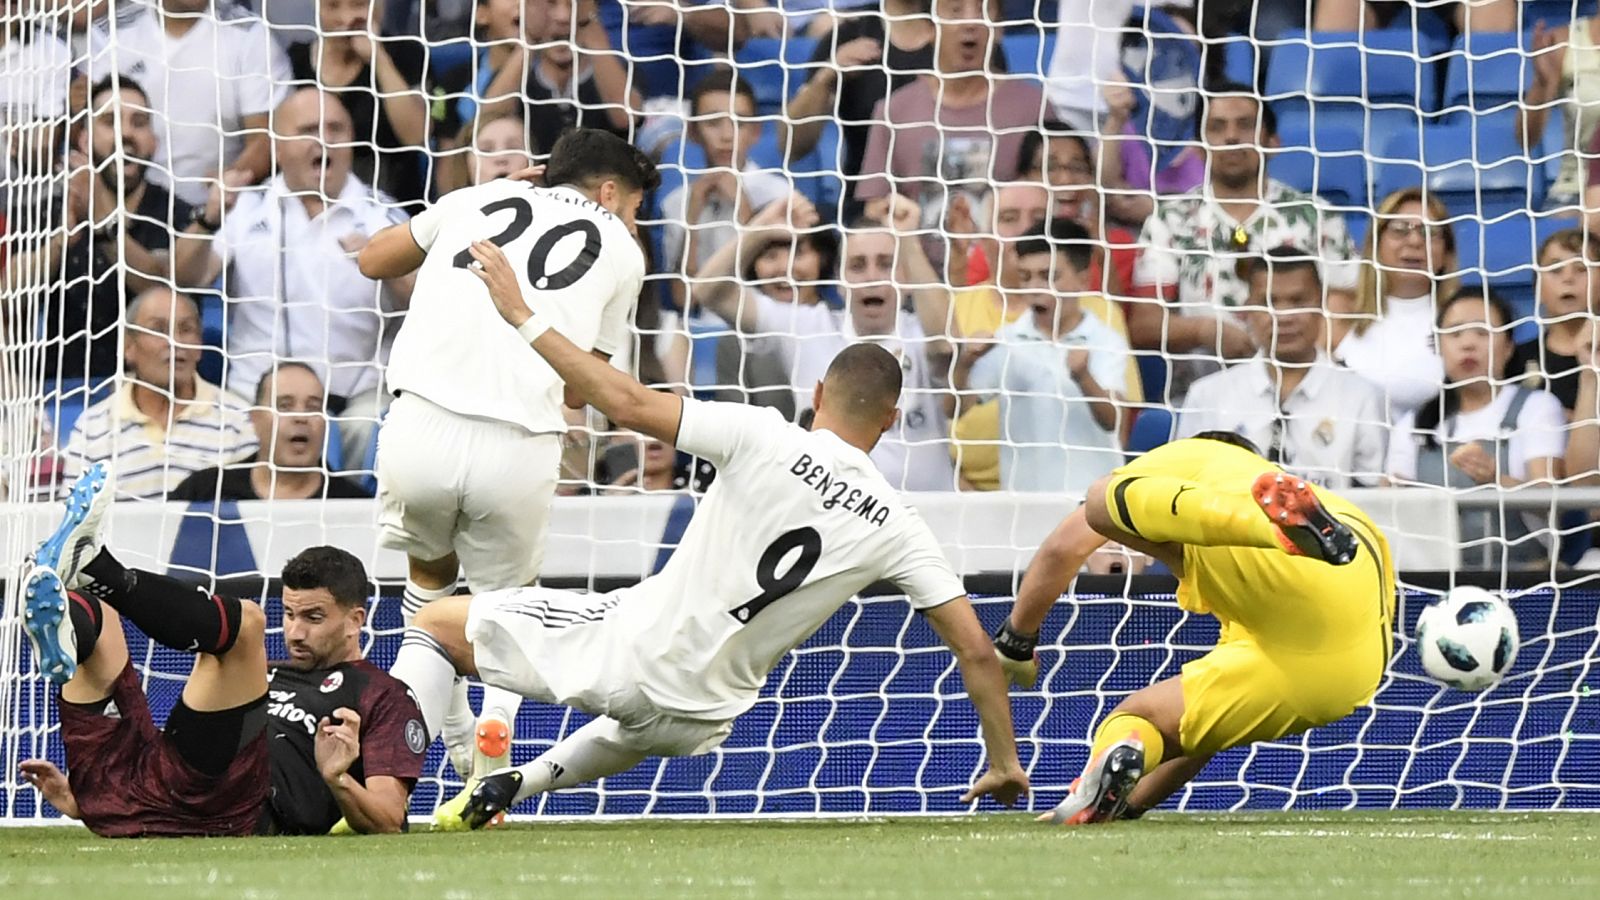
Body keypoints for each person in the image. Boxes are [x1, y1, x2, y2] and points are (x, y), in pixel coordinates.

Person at [387, 243, 1028, 828]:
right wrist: (1003, 760)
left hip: (631, 650)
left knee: (435, 624)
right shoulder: (898, 524)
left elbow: (629, 404)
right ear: (891, 420)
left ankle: (387, 787)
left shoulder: (762, 433)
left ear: (815, 394)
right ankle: (515, 784)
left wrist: (521, 311)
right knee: (640, 721)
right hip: (705, 719)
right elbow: (976, 651)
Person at [354, 127, 656, 816]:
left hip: (421, 424)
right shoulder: (622, 249)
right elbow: (584, 388)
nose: (632, 218)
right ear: (610, 193)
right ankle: (489, 751)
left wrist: (475, 203)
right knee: (502, 610)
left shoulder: (480, 197)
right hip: (519, 442)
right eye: (634, 205)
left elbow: (373, 259)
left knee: (428, 596)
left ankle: (432, 747)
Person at [990, 432, 1394, 824]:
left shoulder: (1196, 456)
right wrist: (1127, 805)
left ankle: (1268, 528)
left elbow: (1067, 545)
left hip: (1283, 567)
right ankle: (1094, 790)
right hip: (1355, 654)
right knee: (1144, 720)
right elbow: (1197, 740)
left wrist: (1016, 641)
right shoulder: (1239, 607)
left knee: (1100, 500)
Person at [19, 465, 425, 835]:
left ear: (356, 620)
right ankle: (70, 606)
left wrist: (338, 778)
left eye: (313, 618)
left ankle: (95, 570)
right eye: (287, 614)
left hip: (236, 808)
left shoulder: (381, 694)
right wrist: (82, 801)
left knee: (246, 626)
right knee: (101, 619)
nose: (295, 632)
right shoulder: (268, 673)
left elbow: (389, 820)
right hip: (144, 791)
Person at [173, 88, 415, 468]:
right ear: (279, 146)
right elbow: (185, 278)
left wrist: (385, 264)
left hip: (357, 401)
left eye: (335, 129)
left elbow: (425, 304)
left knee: (369, 427)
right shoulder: (246, 208)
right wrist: (208, 219)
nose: (323, 139)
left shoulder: (383, 215)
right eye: (308, 129)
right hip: (253, 398)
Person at [690, 193, 957, 491]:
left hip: (927, 514)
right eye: (857, 266)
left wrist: (907, 239)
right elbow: (708, 291)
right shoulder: (807, 328)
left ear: (905, 278)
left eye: (885, 264)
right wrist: (761, 228)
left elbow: (947, 343)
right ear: (840, 283)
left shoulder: (923, 334)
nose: (871, 277)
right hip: (832, 519)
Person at [1130, 84, 1359, 403]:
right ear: (1199, 147)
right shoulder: (1169, 220)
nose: (1232, 137)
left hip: (1303, 396)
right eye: (1217, 127)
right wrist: (1204, 332)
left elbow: (1346, 308)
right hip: (1199, 400)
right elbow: (1143, 325)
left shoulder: (1316, 216)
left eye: (1245, 125)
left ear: (1273, 143)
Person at [4, 76, 199, 382]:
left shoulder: (180, 215)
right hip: (58, 394)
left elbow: (165, 291)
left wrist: (102, 221)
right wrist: (60, 241)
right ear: (83, 140)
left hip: (151, 393)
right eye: (110, 121)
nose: (126, 134)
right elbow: (9, 293)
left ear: (154, 143)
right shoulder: (45, 212)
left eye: (139, 122)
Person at [1386, 289, 1567, 569]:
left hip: (1523, 573)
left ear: (1508, 347)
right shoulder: (1413, 424)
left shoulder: (1537, 407)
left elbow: (1550, 503)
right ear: (1438, 346)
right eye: (1455, 334)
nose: (1468, 344)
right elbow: (1392, 508)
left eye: (1482, 333)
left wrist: (1495, 479)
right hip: (1432, 575)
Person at [1179, 248, 1388, 490]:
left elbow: (1374, 498)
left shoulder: (1361, 398)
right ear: (1248, 309)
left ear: (1321, 306)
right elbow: (1185, 491)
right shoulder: (1207, 396)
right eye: (1268, 302)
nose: (1284, 316)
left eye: (1298, 301)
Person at [951, 221, 1130, 495]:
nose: (1034, 287)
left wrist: (1084, 378)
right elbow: (954, 408)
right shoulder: (1008, 341)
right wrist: (965, 363)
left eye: (1049, 276)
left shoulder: (1105, 340)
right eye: (1025, 277)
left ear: (1083, 280)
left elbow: (1114, 421)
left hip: (1090, 508)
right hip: (1023, 507)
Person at [856, 0, 1042, 259]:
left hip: (1008, 282)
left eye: (983, 11)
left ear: (999, 28)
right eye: (955, 11)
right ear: (928, 28)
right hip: (919, 283)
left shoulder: (1034, 108)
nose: (970, 23)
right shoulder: (893, 112)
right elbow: (874, 210)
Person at [60, 288, 257, 500]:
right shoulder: (93, 427)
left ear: (199, 346)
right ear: (128, 346)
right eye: (159, 330)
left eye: (186, 329)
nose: (174, 342)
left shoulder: (239, 419)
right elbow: (76, 520)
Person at [86, 0, 289, 205]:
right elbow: (90, 126)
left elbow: (266, 139)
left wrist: (226, 188)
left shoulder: (250, 34)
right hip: (126, 208)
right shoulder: (111, 30)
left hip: (218, 214)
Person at [286, 0, 430, 205]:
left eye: (359, 5)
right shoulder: (294, 60)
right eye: (333, 6)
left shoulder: (408, 54)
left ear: (380, 7)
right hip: (310, 204)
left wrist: (379, 59)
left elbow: (417, 136)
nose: (347, 18)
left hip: (392, 206)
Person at [1333, 187, 1456, 422]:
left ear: (1447, 253)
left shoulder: (1465, 320)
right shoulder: (1336, 313)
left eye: (1429, 233)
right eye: (1400, 230)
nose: (1414, 241)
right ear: (1375, 246)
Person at [169, 361, 373, 502]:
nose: (300, 417)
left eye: (313, 407)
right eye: (284, 406)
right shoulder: (204, 492)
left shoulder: (354, 503)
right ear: (256, 419)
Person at [660, 67, 790, 282]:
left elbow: (776, 285)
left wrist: (744, 208)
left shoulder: (780, 194)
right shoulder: (676, 202)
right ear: (693, 132)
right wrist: (692, 220)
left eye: (739, 123)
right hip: (699, 314)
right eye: (712, 123)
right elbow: (683, 298)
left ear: (755, 132)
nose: (727, 136)